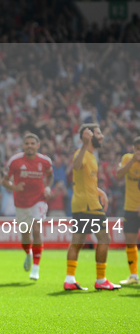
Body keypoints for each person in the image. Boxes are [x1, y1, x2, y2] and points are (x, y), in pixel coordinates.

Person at [64, 124, 120, 291]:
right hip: (89, 206)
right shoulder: (82, 153)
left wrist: (99, 191)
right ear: (88, 136)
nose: (101, 136)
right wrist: (83, 144)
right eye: (98, 133)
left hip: (81, 203)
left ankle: (69, 279)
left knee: (78, 242)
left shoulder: (91, 156)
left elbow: (84, 181)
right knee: (104, 238)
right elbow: (75, 165)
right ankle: (101, 280)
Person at [1, 133, 53, 280]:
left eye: (32, 143)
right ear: (23, 146)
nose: (29, 146)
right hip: (21, 203)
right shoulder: (15, 161)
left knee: (36, 230)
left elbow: (50, 176)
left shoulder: (45, 161)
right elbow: (4, 181)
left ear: (38, 145)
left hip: (39, 200)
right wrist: (15, 187)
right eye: (27, 143)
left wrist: (48, 188)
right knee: (25, 235)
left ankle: (36, 268)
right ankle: (29, 253)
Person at [115, 136, 140, 285]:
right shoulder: (127, 159)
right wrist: (133, 160)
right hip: (130, 208)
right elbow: (118, 175)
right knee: (130, 241)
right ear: (133, 149)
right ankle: (134, 275)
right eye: (137, 149)